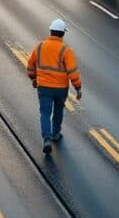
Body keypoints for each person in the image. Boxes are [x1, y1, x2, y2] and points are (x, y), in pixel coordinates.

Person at [27, 19, 82, 154]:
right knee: (58, 110)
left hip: (44, 87)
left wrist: (33, 78)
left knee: (45, 113)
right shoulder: (66, 50)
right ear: (63, 34)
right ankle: (56, 133)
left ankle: (47, 139)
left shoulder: (39, 47)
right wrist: (78, 88)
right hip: (61, 89)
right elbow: (73, 72)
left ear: (50, 31)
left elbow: (30, 64)